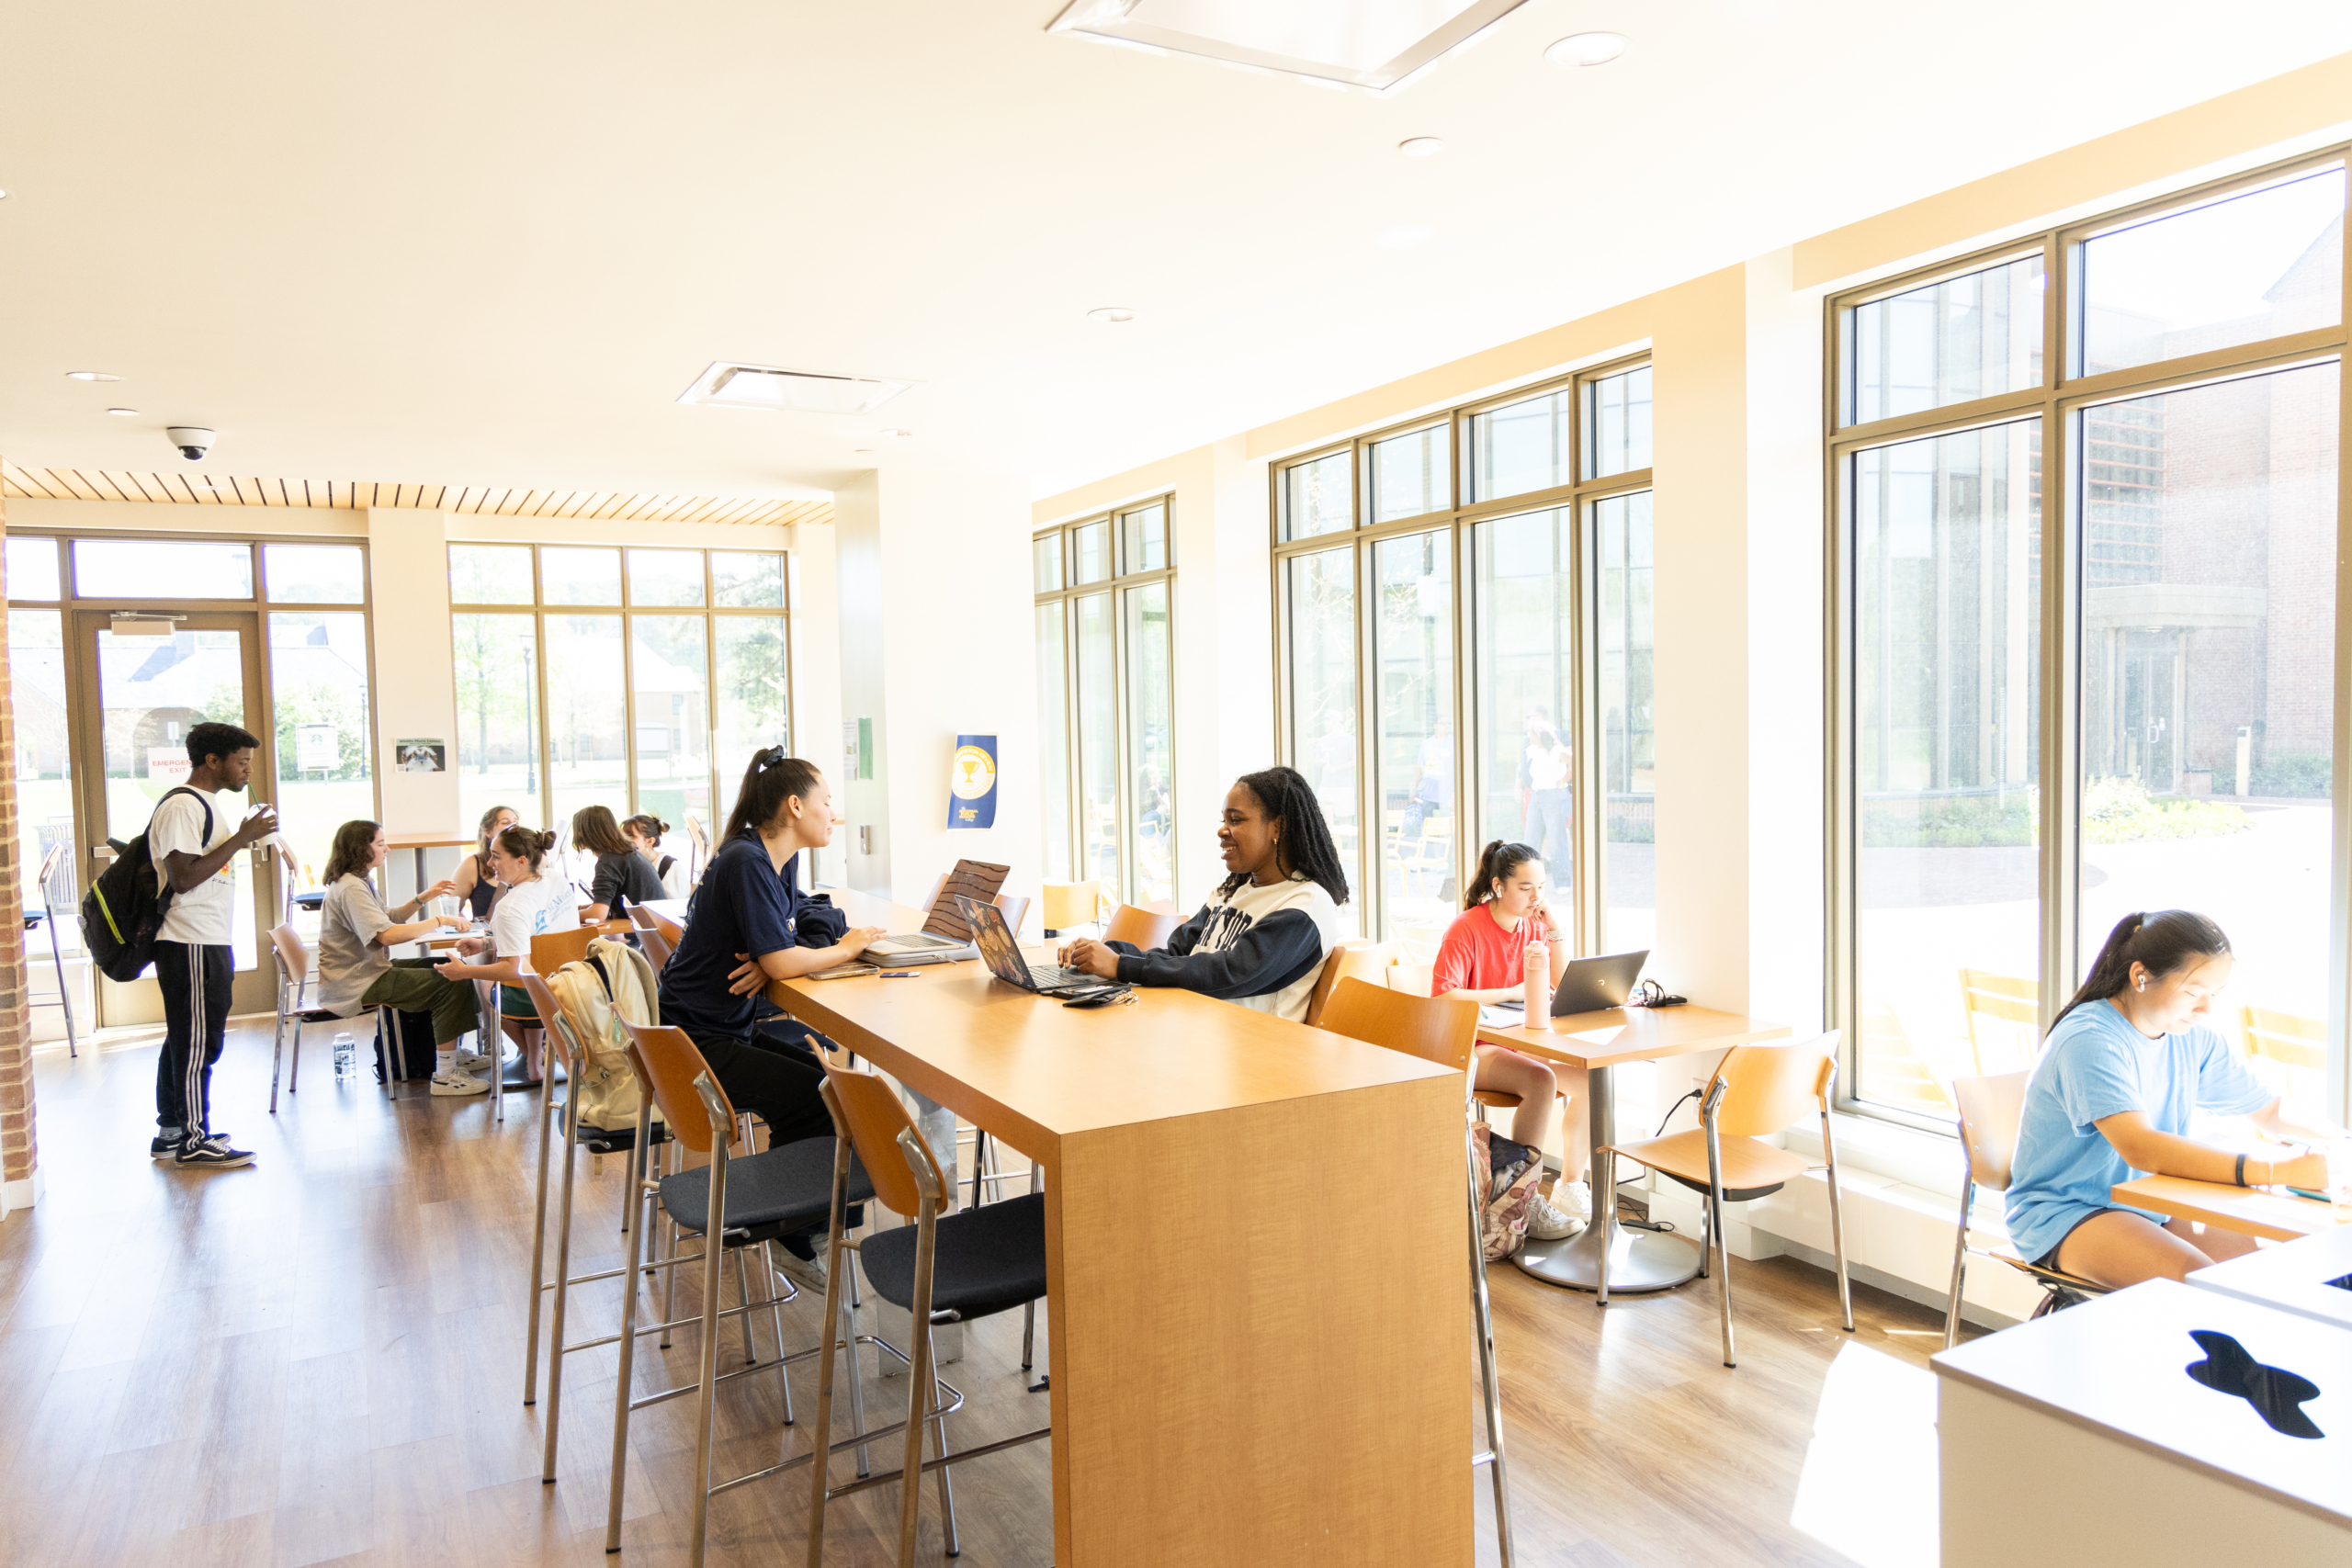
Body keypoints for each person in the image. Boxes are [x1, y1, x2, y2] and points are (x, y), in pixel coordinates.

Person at [2006, 910, 2346, 1289]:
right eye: (2193, 992)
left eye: (2215, 994)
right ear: (2140, 976)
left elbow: (2269, 1109)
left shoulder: (2191, 1037)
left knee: (2263, 1281)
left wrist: (2342, 1147)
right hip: (2066, 1212)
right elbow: (2142, 1148)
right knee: (2205, 1285)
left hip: (2148, 1202)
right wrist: (2273, 1171)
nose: (2206, 1009)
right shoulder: (2090, 1039)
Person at [661, 749, 884, 1285]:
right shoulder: (746, 861)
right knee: (823, 1098)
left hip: (714, 1029)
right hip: (697, 1044)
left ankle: (814, 1227)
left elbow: (807, 916)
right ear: (794, 805)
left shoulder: (774, 860)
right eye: (826, 802)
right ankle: (796, 1235)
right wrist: (842, 950)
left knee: (831, 1089)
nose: (833, 812)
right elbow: (785, 953)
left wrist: (775, 959)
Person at [1057, 765, 1345, 1022]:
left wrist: (1121, 966)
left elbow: (1230, 974)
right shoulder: (1229, 892)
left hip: (1255, 1058)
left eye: (1236, 820)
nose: (1222, 830)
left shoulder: (1307, 905)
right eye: (1224, 820)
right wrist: (1106, 954)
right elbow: (1178, 954)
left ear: (1277, 827)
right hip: (1195, 1031)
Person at [1430, 840, 1586, 1241]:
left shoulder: (1534, 926)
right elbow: (1443, 997)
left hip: (1517, 1043)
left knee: (1588, 1082)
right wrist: (1507, 992)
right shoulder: (1466, 928)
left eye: (1541, 887)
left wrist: (1555, 929)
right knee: (1541, 1081)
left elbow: (1560, 982)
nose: (1536, 897)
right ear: (1499, 886)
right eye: (1526, 887)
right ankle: (1523, 1199)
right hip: (1472, 1047)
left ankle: (1570, 1187)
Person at [148, 721, 278, 1168]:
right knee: (197, 1044)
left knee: (187, 1037)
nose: (247, 771)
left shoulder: (204, 805)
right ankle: (194, 1139)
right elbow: (183, 877)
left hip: (203, 938)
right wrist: (243, 838)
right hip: (190, 940)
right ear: (212, 761)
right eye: (241, 762)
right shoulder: (184, 806)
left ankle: (172, 1131)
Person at [313, 819, 486, 1095]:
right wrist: (440, 919)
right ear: (361, 849)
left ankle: (452, 1053)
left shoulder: (359, 881)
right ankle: (445, 1075)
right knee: (450, 979)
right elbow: (388, 935)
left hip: (368, 971)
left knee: (450, 967)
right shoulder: (351, 888)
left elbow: (388, 918)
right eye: (381, 844)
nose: (388, 849)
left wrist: (424, 897)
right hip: (355, 982)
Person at [437, 825, 579, 1086]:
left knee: (487, 985)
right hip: (572, 985)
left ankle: (529, 1057)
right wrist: (488, 943)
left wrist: (464, 971)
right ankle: (534, 1060)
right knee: (526, 976)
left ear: (522, 861)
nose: (490, 863)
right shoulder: (556, 880)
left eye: (497, 856)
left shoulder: (510, 907)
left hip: (536, 995)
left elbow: (514, 969)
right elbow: (540, 938)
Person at [575, 805, 666, 920]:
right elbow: (602, 907)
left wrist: (560, 918)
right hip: (654, 927)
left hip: (644, 932)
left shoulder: (610, 859)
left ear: (581, 833)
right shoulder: (626, 852)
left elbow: (598, 914)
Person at [450, 804, 518, 921]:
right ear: (488, 831)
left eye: (516, 822)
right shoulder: (472, 865)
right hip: (487, 936)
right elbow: (451, 909)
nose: (513, 826)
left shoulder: (531, 861)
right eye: (505, 822)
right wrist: (467, 928)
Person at [624, 813, 679, 888]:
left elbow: (676, 899)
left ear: (650, 841)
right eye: (624, 836)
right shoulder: (629, 863)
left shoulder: (669, 867)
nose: (626, 840)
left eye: (632, 836)